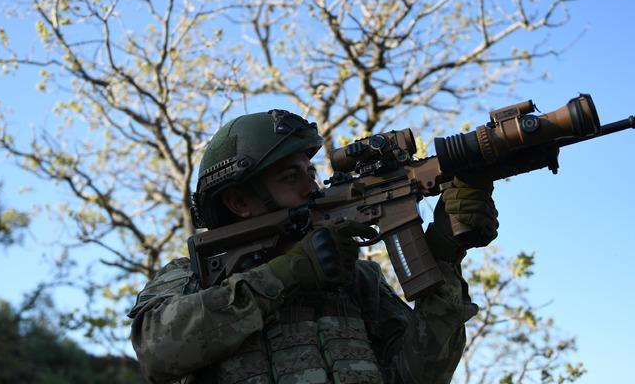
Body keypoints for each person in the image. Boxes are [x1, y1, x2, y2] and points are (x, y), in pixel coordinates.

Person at [128, 110, 499, 384]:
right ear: (239, 202)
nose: (312, 188)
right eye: (291, 177)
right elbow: (158, 350)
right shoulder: (193, 277)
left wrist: (445, 255)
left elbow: (421, 376)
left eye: (311, 173)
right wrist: (284, 275)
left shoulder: (357, 281)